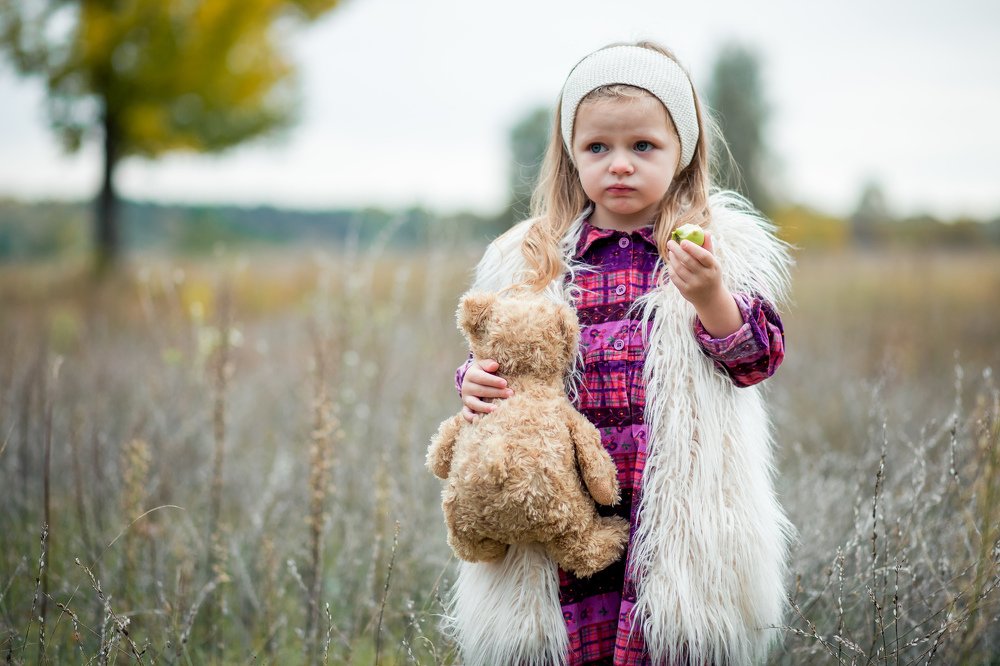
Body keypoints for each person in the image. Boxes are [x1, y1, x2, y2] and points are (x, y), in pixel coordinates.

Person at [445, 40, 792, 666]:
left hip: (672, 505)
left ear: (681, 152)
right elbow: (497, 357)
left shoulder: (715, 250)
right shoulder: (534, 257)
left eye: (643, 146)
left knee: (667, 638)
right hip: (565, 494)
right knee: (563, 641)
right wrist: (473, 381)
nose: (620, 165)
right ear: (572, 155)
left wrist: (710, 296)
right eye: (598, 148)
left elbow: (755, 360)